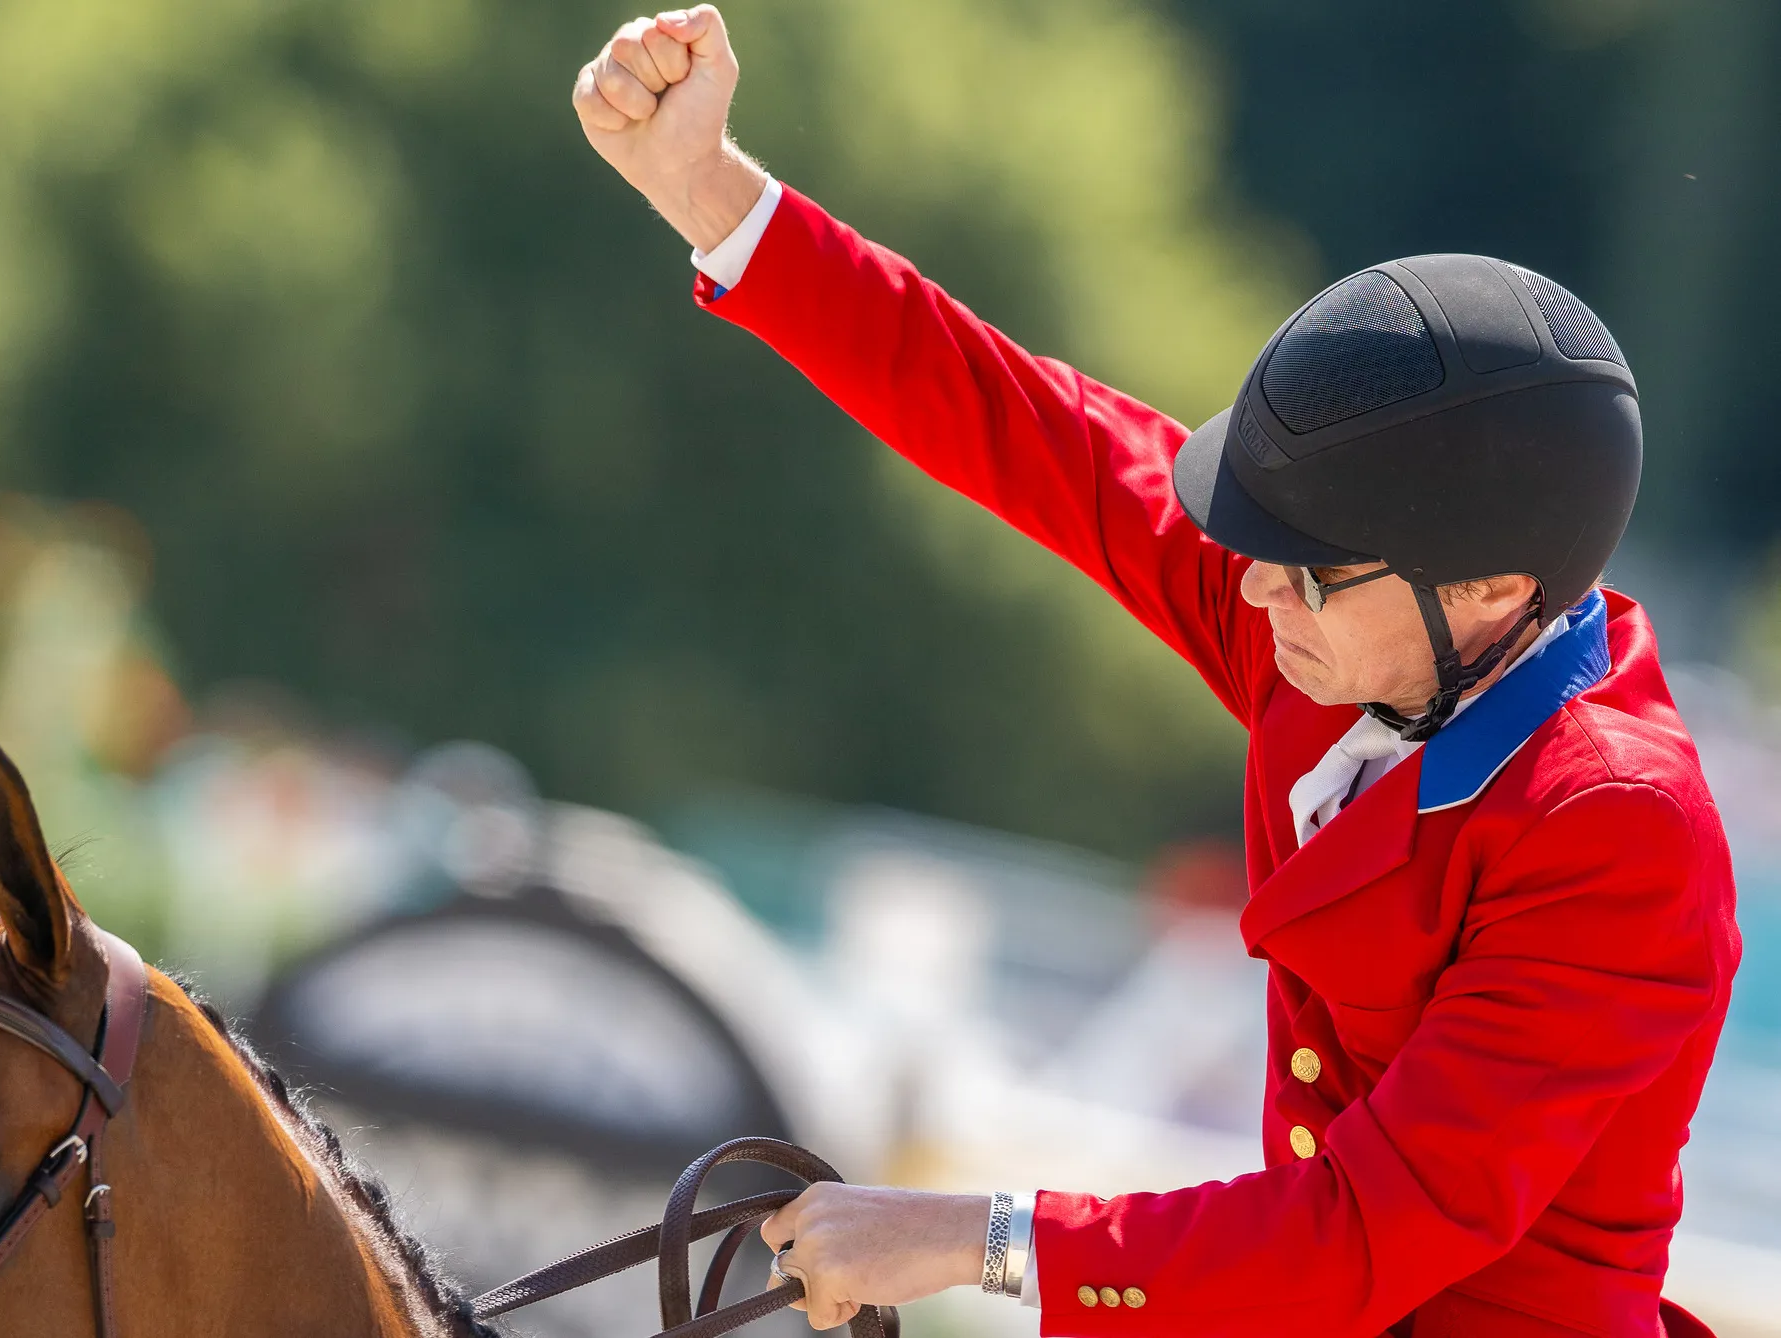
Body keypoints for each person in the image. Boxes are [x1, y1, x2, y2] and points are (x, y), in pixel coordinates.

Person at [570, 9, 1742, 1337]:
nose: (1248, 590)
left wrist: (976, 1234)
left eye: (1303, 570)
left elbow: (1358, 1232)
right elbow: (1021, 425)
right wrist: (708, 190)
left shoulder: (1617, 831)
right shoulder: (1347, 623)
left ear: (1486, 591)